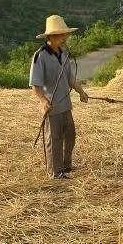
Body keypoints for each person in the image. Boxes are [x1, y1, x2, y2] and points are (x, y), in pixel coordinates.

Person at [30, 15, 88, 179]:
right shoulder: (39, 56)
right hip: (52, 106)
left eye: (64, 35)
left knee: (70, 134)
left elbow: (70, 79)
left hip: (65, 104)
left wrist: (81, 91)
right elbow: (36, 85)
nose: (64, 38)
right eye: (61, 35)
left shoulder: (64, 54)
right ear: (51, 36)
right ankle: (55, 172)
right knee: (53, 139)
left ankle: (66, 166)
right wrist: (43, 101)